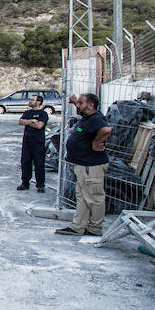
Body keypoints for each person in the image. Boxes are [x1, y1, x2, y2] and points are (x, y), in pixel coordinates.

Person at [55, 93, 112, 236]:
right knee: (82, 196)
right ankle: (78, 227)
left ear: (90, 105)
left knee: (94, 197)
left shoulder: (96, 119)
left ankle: (95, 229)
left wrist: (95, 143)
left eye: (80, 103)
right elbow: (81, 108)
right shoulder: (88, 117)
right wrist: (75, 101)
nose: (77, 106)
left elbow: (106, 130)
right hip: (83, 166)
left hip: (91, 166)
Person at [17, 94, 49, 193]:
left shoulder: (43, 114)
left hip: (38, 142)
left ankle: (40, 185)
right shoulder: (27, 113)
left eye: (32, 100)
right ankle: (25, 183)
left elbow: (39, 126)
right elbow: (20, 121)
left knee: (39, 163)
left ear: (38, 102)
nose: (30, 101)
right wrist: (31, 121)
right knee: (25, 162)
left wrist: (27, 122)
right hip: (27, 142)